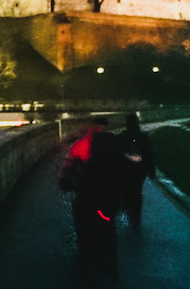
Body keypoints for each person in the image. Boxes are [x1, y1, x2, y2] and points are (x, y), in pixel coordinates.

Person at [59, 117, 121, 279]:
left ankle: (87, 263)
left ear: (90, 126)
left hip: (87, 196)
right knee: (108, 227)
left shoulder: (82, 144)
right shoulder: (111, 142)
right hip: (108, 197)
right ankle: (111, 261)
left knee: (83, 228)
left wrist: (65, 182)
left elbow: (69, 169)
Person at [116, 112, 156, 228]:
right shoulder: (143, 137)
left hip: (125, 170)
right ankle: (136, 214)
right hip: (139, 170)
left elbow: (117, 154)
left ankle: (127, 208)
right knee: (137, 191)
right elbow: (149, 154)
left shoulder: (122, 137)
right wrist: (151, 169)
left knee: (125, 190)